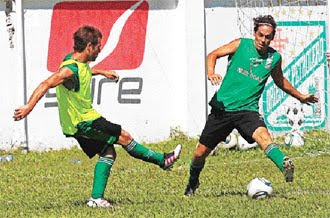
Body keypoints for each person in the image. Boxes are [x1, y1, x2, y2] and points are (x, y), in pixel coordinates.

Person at [13, 25, 182, 208]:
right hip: (84, 122)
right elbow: (46, 83)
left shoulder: (75, 61)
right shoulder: (69, 69)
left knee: (108, 152)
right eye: (98, 46)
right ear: (89, 47)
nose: (100, 50)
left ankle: (96, 199)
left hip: (78, 123)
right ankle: (162, 160)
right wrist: (29, 106)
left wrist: (102, 72)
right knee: (124, 136)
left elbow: (84, 71)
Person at [184, 15, 319, 196]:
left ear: (272, 38)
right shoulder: (241, 44)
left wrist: (301, 96)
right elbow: (213, 55)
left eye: (268, 37)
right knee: (200, 154)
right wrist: (211, 72)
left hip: (247, 110)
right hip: (222, 109)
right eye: (261, 35)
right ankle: (192, 183)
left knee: (264, 136)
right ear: (255, 33)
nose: (263, 40)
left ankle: (284, 164)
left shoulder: (274, 58)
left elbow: (280, 81)